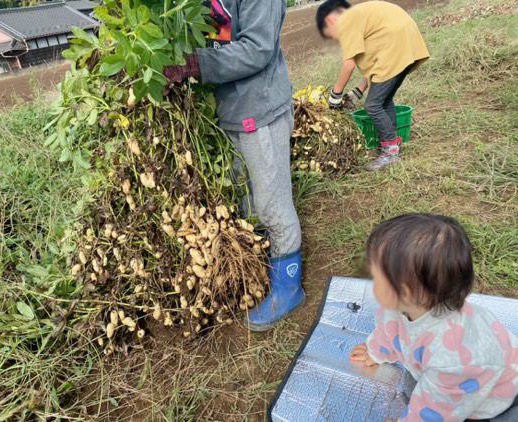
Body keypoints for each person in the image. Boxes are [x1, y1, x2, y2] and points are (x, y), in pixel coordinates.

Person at [163, 0, 305, 331]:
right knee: (247, 201)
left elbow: (257, 49)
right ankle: (259, 270)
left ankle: (288, 287)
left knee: (271, 204)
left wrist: (194, 64)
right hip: (228, 111)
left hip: (260, 108)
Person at [350, 214, 518, 421]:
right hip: (442, 380)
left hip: (494, 397)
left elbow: (435, 413)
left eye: (377, 277)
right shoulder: (397, 306)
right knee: (418, 388)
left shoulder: (452, 357)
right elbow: (388, 330)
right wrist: (376, 352)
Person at [316, 0, 430, 171]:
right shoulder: (361, 17)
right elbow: (377, 70)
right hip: (406, 43)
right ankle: (392, 144)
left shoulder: (345, 21)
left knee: (373, 105)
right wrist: (357, 92)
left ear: (330, 21)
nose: (334, 39)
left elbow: (349, 65)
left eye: (330, 35)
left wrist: (335, 97)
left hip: (394, 47)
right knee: (385, 100)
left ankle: (390, 151)